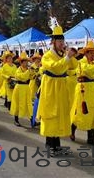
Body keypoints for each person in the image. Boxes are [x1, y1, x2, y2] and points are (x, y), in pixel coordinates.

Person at [37, 24, 77, 156]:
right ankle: (50, 145)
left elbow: (73, 67)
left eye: (62, 41)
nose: (61, 44)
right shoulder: (47, 56)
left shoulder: (63, 54)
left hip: (61, 87)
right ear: (53, 42)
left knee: (60, 114)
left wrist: (70, 56)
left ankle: (57, 145)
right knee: (51, 115)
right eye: (59, 41)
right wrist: (67, 57)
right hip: (51, 88)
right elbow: (56, 68)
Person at [71, 40, 94, 146]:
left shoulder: (93, 63)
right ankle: (72, 129)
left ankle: (91, 138)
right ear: (85, 53)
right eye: (90, 52)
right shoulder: (81, 63)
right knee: (82, 111)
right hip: (84, 89)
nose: (92, 55)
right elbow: (90, 72)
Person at [10, 51, 34, 127]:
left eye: (27, 61)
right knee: (17, 104)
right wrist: (28, 71)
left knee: (29, 104)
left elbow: (31, 77)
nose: (27, 63)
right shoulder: (18, 70)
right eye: (25, 62)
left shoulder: (28, 69)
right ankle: (16, 120)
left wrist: (33, 72)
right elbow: (22, 77)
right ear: (21, 62)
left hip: (27, 88)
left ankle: (32, 120)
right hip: (19, 88)